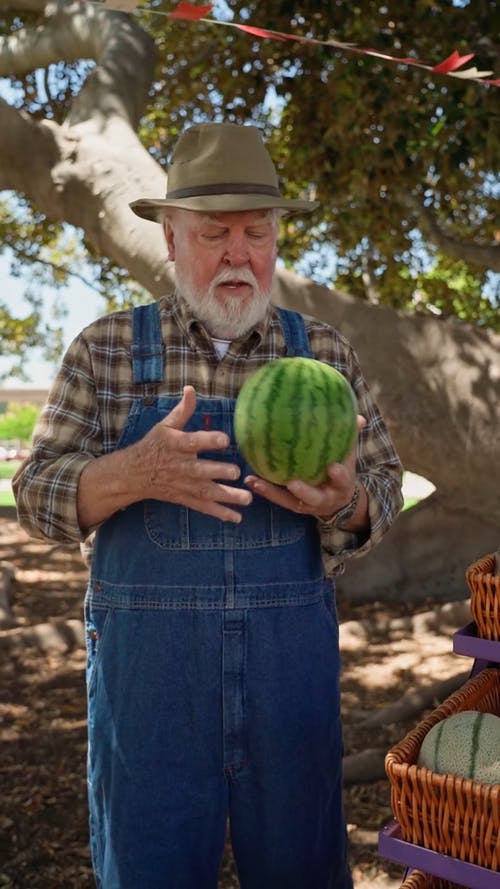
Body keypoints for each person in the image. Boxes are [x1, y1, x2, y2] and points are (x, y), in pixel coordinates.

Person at [13, 122, 403, 889]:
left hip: (290, 687)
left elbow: (383, 490)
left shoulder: (322, 354)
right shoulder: (107, 349)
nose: (238, 254)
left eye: (257, 232)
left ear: (277, 238)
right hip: (150, 695)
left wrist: (347, 502)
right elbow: (34, 494)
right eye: (215, 232)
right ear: (169, 236)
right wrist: (132, 472)